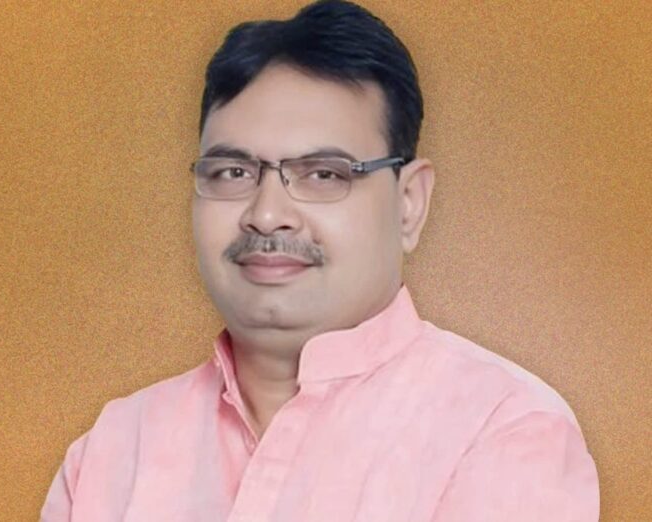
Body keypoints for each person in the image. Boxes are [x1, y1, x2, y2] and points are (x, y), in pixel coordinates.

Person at [41, 1, 599, 520]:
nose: (267, 216)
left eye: (324, 174)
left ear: (409, 204)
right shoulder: (113, 450)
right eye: (233, 173)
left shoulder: (502, 428)